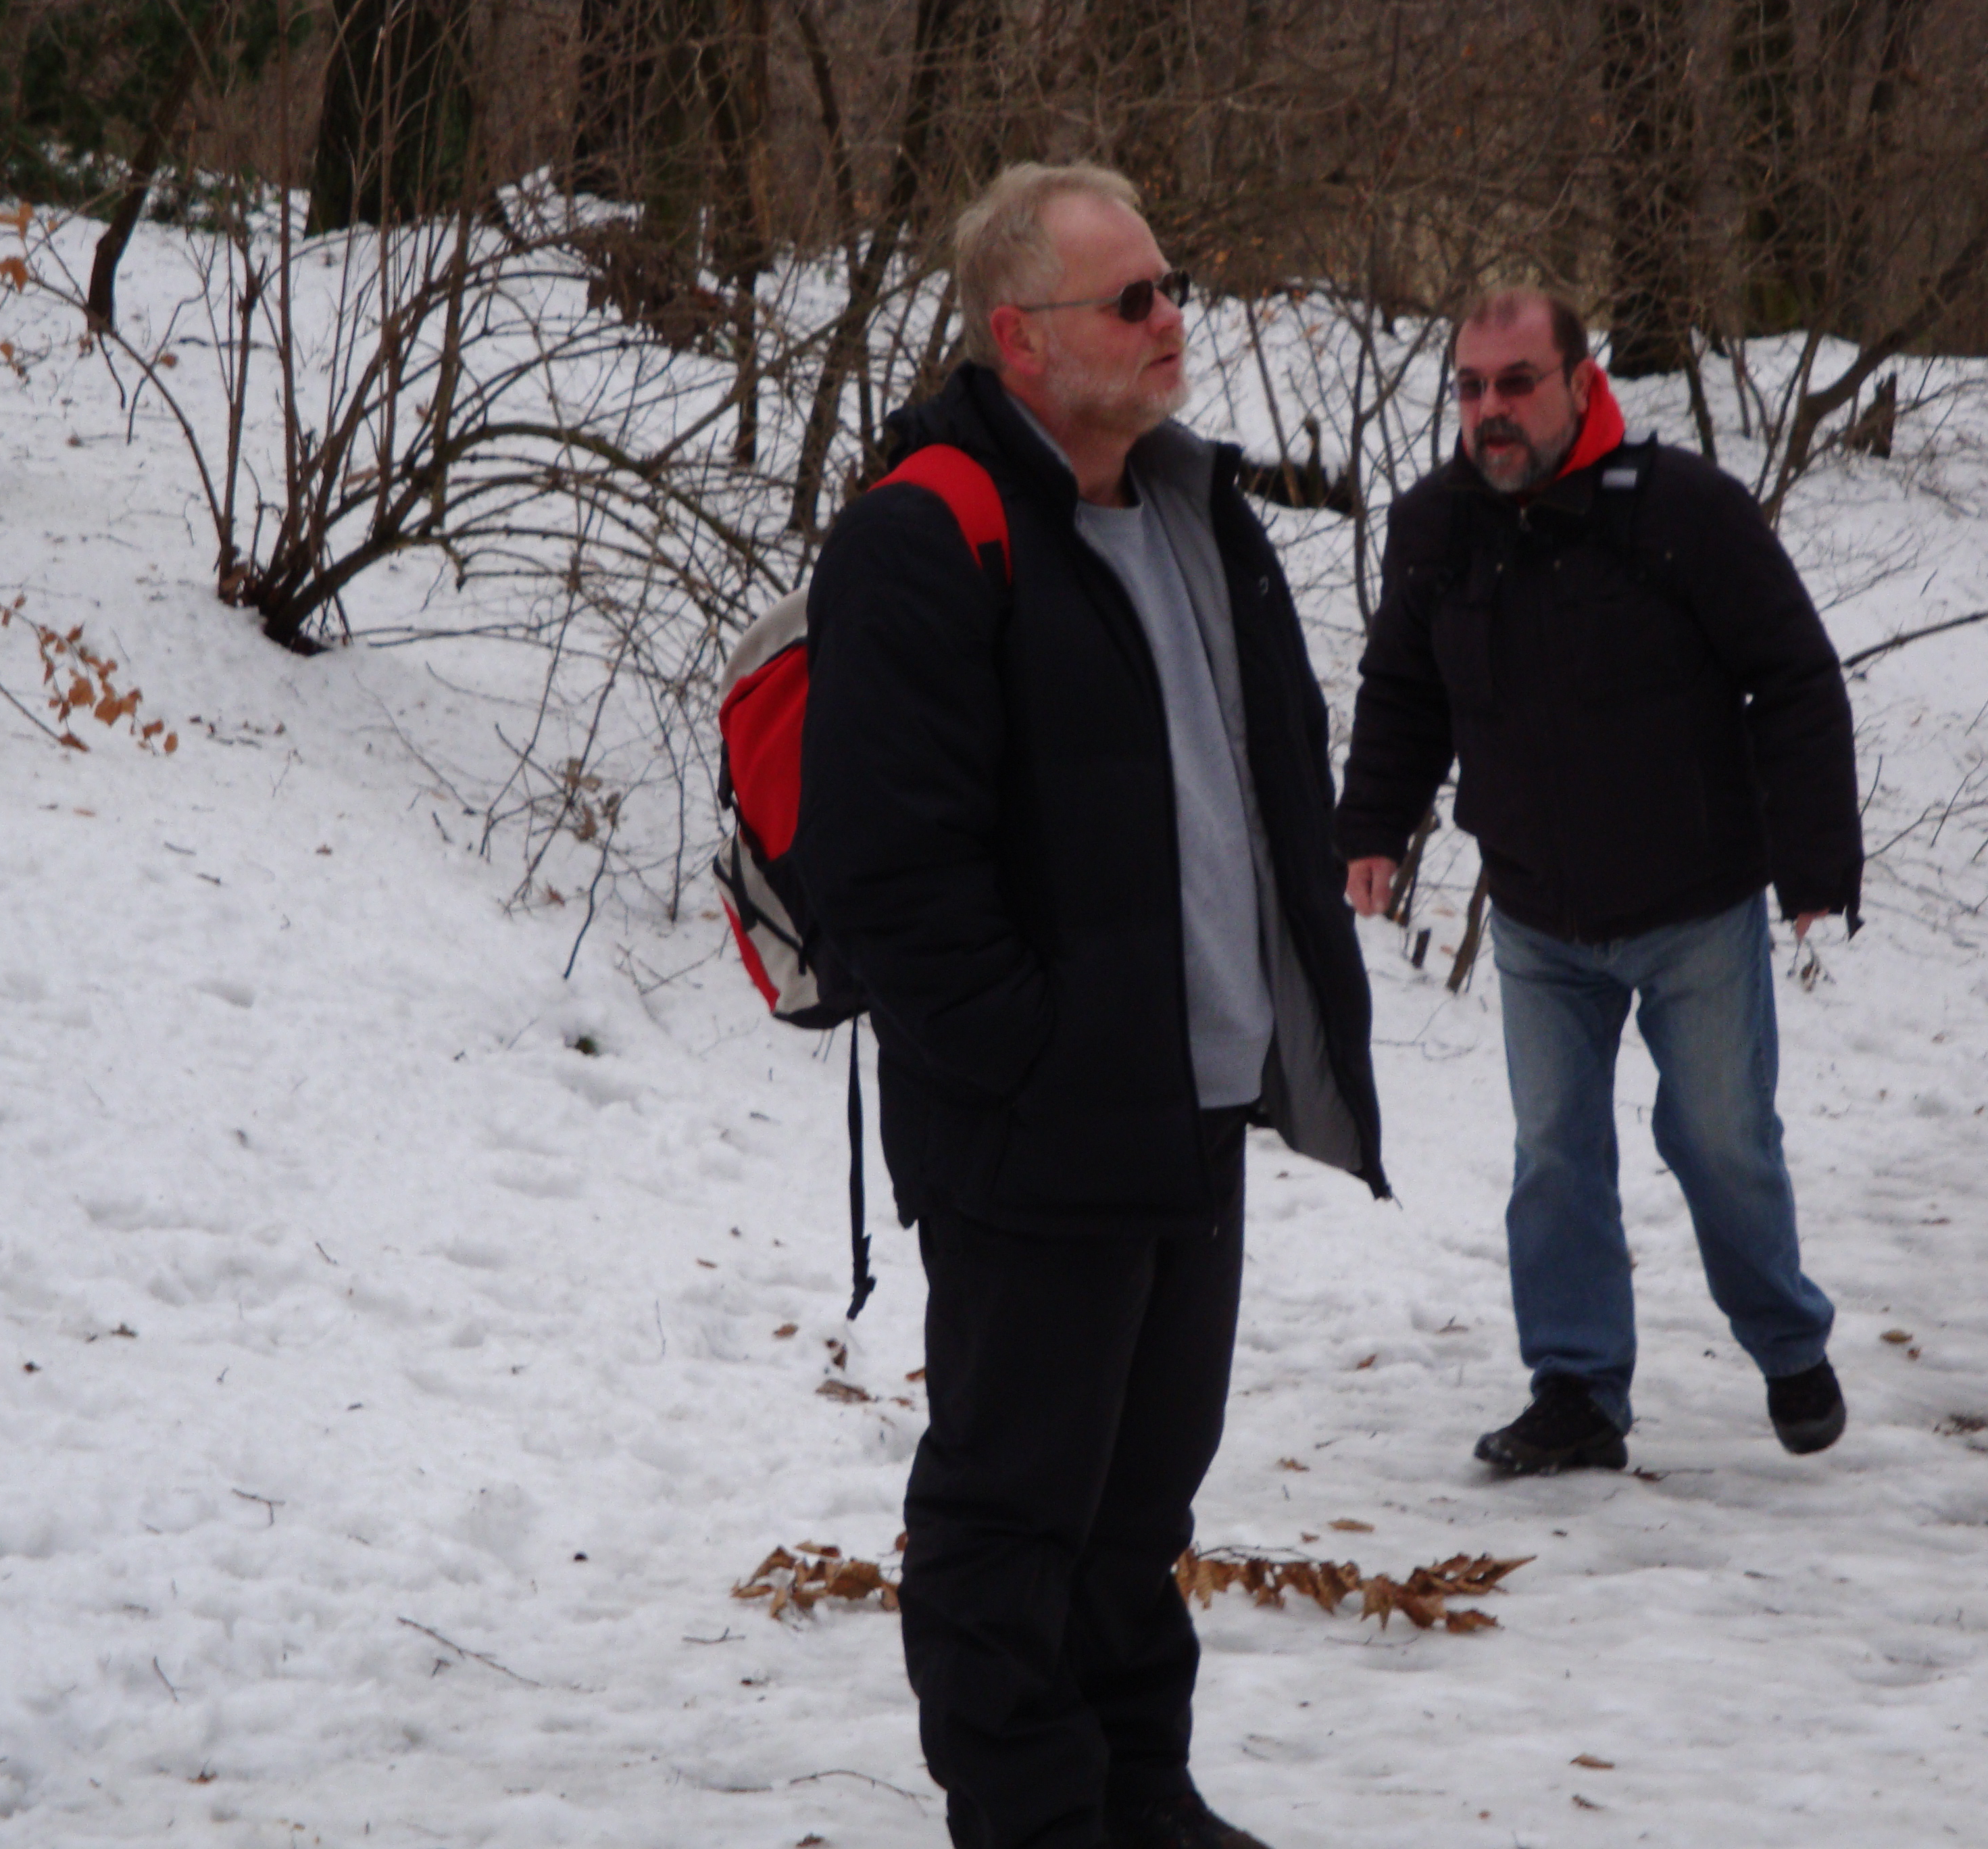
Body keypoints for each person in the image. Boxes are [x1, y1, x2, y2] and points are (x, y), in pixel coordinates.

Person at [797, 163, 1387, 1849]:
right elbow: (890, 875)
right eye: (1131, 299)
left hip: (1196, 1105)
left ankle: (1139, 1793)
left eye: (1171, 284)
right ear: (1022, 339)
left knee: (1140, 1502)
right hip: (1039, 1127)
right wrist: (1032, 1057)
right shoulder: (923, 534)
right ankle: (1032, 1816)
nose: (1169, 319)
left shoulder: (1199, 511)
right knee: (1014, 1508)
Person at [1334, 289, 1861, 1476]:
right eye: (1471, 388)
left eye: (1517, 383)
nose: (1491, 410)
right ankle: (1576, 1390)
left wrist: (1814, 857)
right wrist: (1372, 826)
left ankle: (1788, 1345)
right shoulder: (1438, 527)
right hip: (1537, 913)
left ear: (1582, 383)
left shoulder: (1683, 513)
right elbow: (1404, 688)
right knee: (1556, 1156)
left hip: (1694, 906)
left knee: (1721, 1142)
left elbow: (1793, 675)